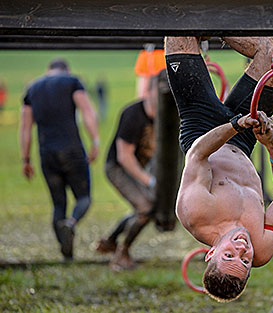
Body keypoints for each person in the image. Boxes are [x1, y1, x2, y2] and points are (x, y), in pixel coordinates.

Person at [165, 36, 273, 302]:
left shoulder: (197, 214)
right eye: (246, 261)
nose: (242, 249)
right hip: (244, 139)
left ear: (211, 254)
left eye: (229, 254)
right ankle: (220, 20)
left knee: (179, 33)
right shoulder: (262, 247)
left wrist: (235, 125)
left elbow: (198, 155)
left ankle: (208, 22)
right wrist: (272, 146)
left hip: (202, 129)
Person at [20, 58, 99, 260]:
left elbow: (25, 128)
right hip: (72, 151)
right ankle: (71, 224)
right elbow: (87, 111)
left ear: (49, 71)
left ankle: (67, 254)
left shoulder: (32, 89)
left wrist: (26, 160)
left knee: (58, 205)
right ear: (66, 70)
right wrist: (95, 141)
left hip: (47, 154)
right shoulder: (72, 82)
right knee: (83, 197)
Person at [96, 71, 165, 271]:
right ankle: (121, 253)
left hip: (139, 168)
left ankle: (109, 241)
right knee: (145, 208)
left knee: (145, 209)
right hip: (118, 167)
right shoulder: (133, 114)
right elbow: (124, 156)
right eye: (160, 93)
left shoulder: (166, 117)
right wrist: (148, 180)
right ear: (150, 92)